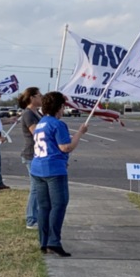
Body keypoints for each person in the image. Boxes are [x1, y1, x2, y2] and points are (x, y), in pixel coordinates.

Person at [30, 91, 88, 257]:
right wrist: (80, 133)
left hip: (37, 167)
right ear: (59, 107)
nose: (64, 110)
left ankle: (44, 241)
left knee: (44, 207)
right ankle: (53, 241)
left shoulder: (41, 122)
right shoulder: (57, 124)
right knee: (59, 204)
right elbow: (65, 147)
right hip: (53, 169)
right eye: (63, 106)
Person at [18, 87, 43, 229]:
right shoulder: (28, 114)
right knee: (35, 187)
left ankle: (37, 217)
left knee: (39, 187)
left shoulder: (36, 112)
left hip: (38, 153)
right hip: (30, 154)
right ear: (32, 98)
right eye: (39, 96)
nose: (41, 98)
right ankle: (31, 219)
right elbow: (36, 132)